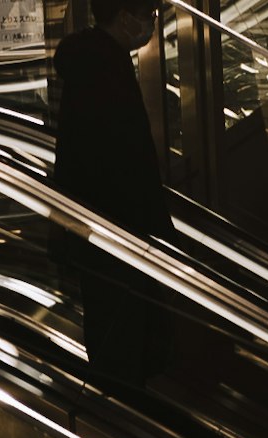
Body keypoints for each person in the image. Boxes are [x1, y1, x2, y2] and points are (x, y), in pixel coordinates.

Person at [49, 0, 176, 406]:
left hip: (103, 229)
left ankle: (121, 403)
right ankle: (120, 413)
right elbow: (118, 160)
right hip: (114, 232)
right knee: (120, 331)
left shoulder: (95, 64)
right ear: (124, 18)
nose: (152, 24)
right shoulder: (103, 70)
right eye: (150, 16)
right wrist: (146, 226)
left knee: (116, 327)